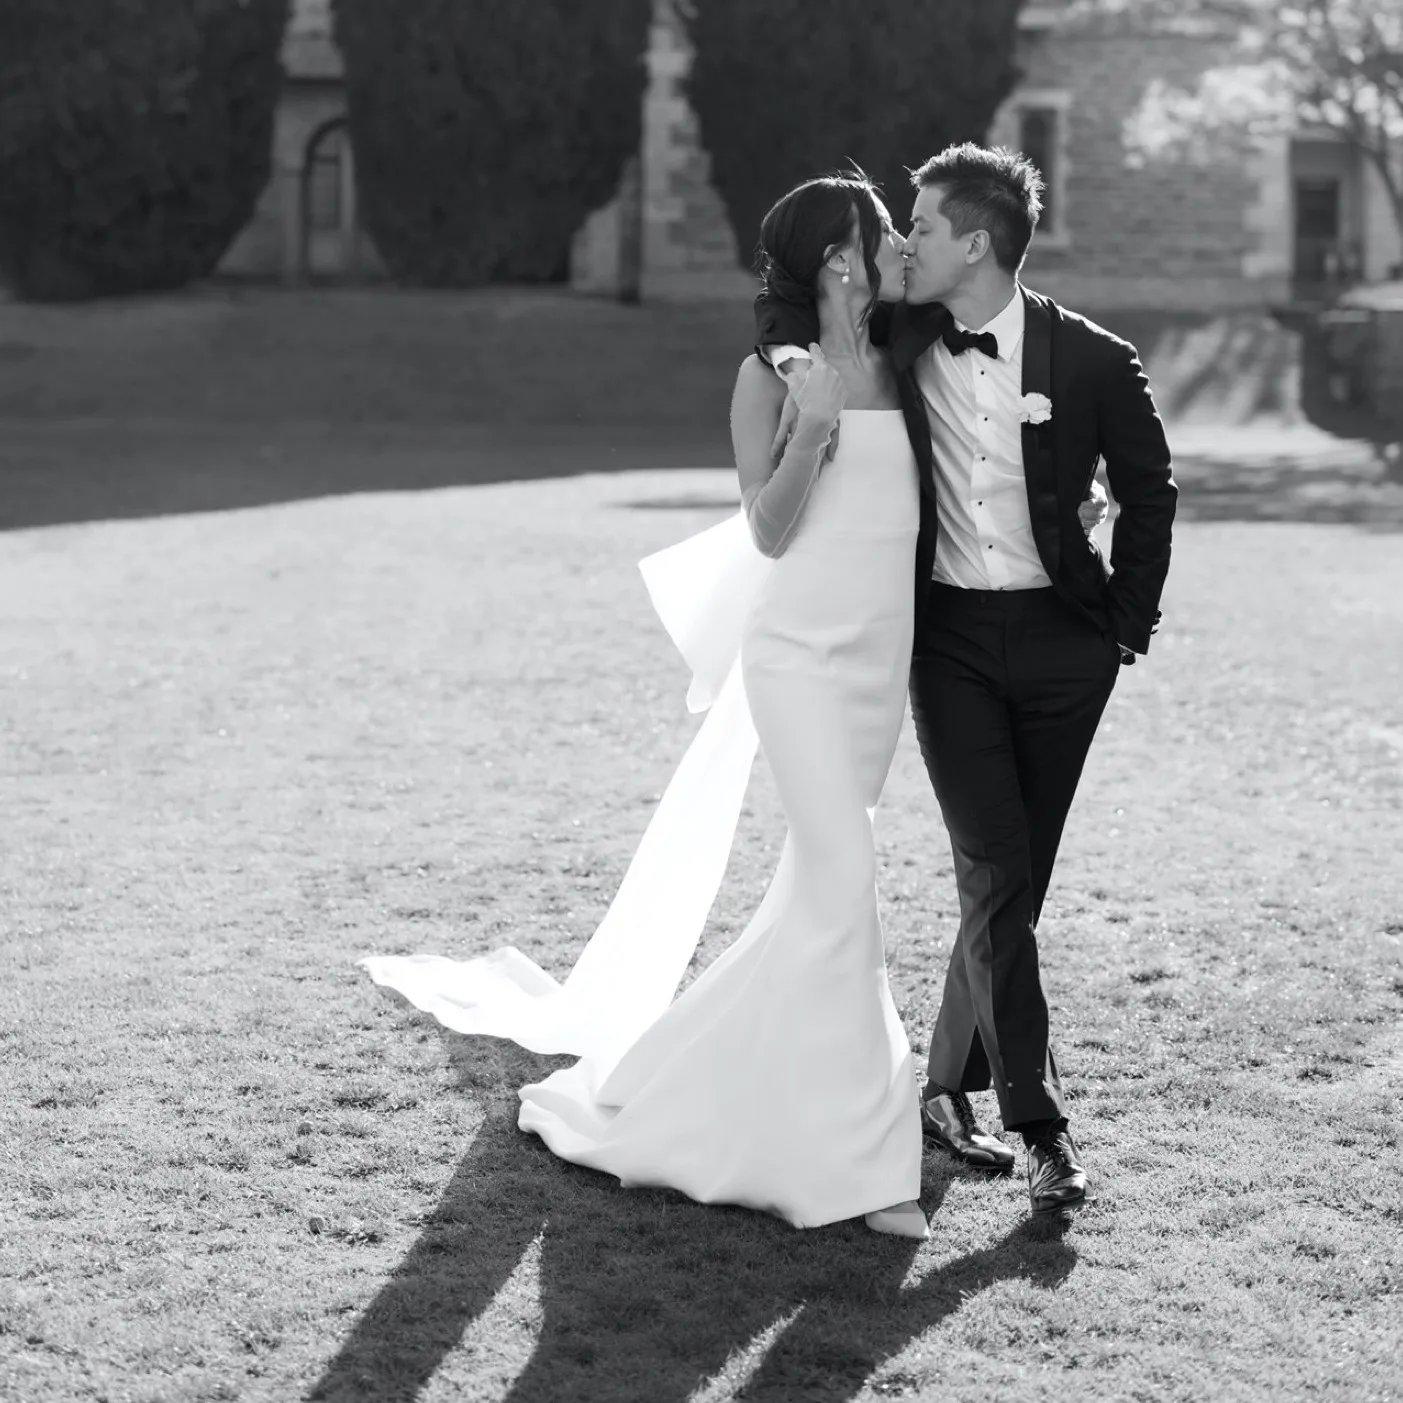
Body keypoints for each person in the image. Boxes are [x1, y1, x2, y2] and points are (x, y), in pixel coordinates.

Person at [358, 169, 1109, 1240]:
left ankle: (690, 1074)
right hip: (797, 656)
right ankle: (866, 1163)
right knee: (847, 881)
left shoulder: (908, 354)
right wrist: (810, 428)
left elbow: (977, 458)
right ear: (838, 258)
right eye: (884, 229)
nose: (903, 240)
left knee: (812, 898)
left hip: (878, 664)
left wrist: (1065, 494)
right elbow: (765, 530)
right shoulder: (768, 375)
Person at [755, 143, 1177, 1213]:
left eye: (925, 227)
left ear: (976, 243)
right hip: (943, 645)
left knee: (1011, 881)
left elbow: (1148, 486)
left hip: (1064, 646)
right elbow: (792, 316)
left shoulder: (1093, 358)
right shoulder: (897, 339)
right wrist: (791, 363)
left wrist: (1121, 623)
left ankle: (940, 1085)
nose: (907, 242)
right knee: (994, 867)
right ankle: (1040, 1126)